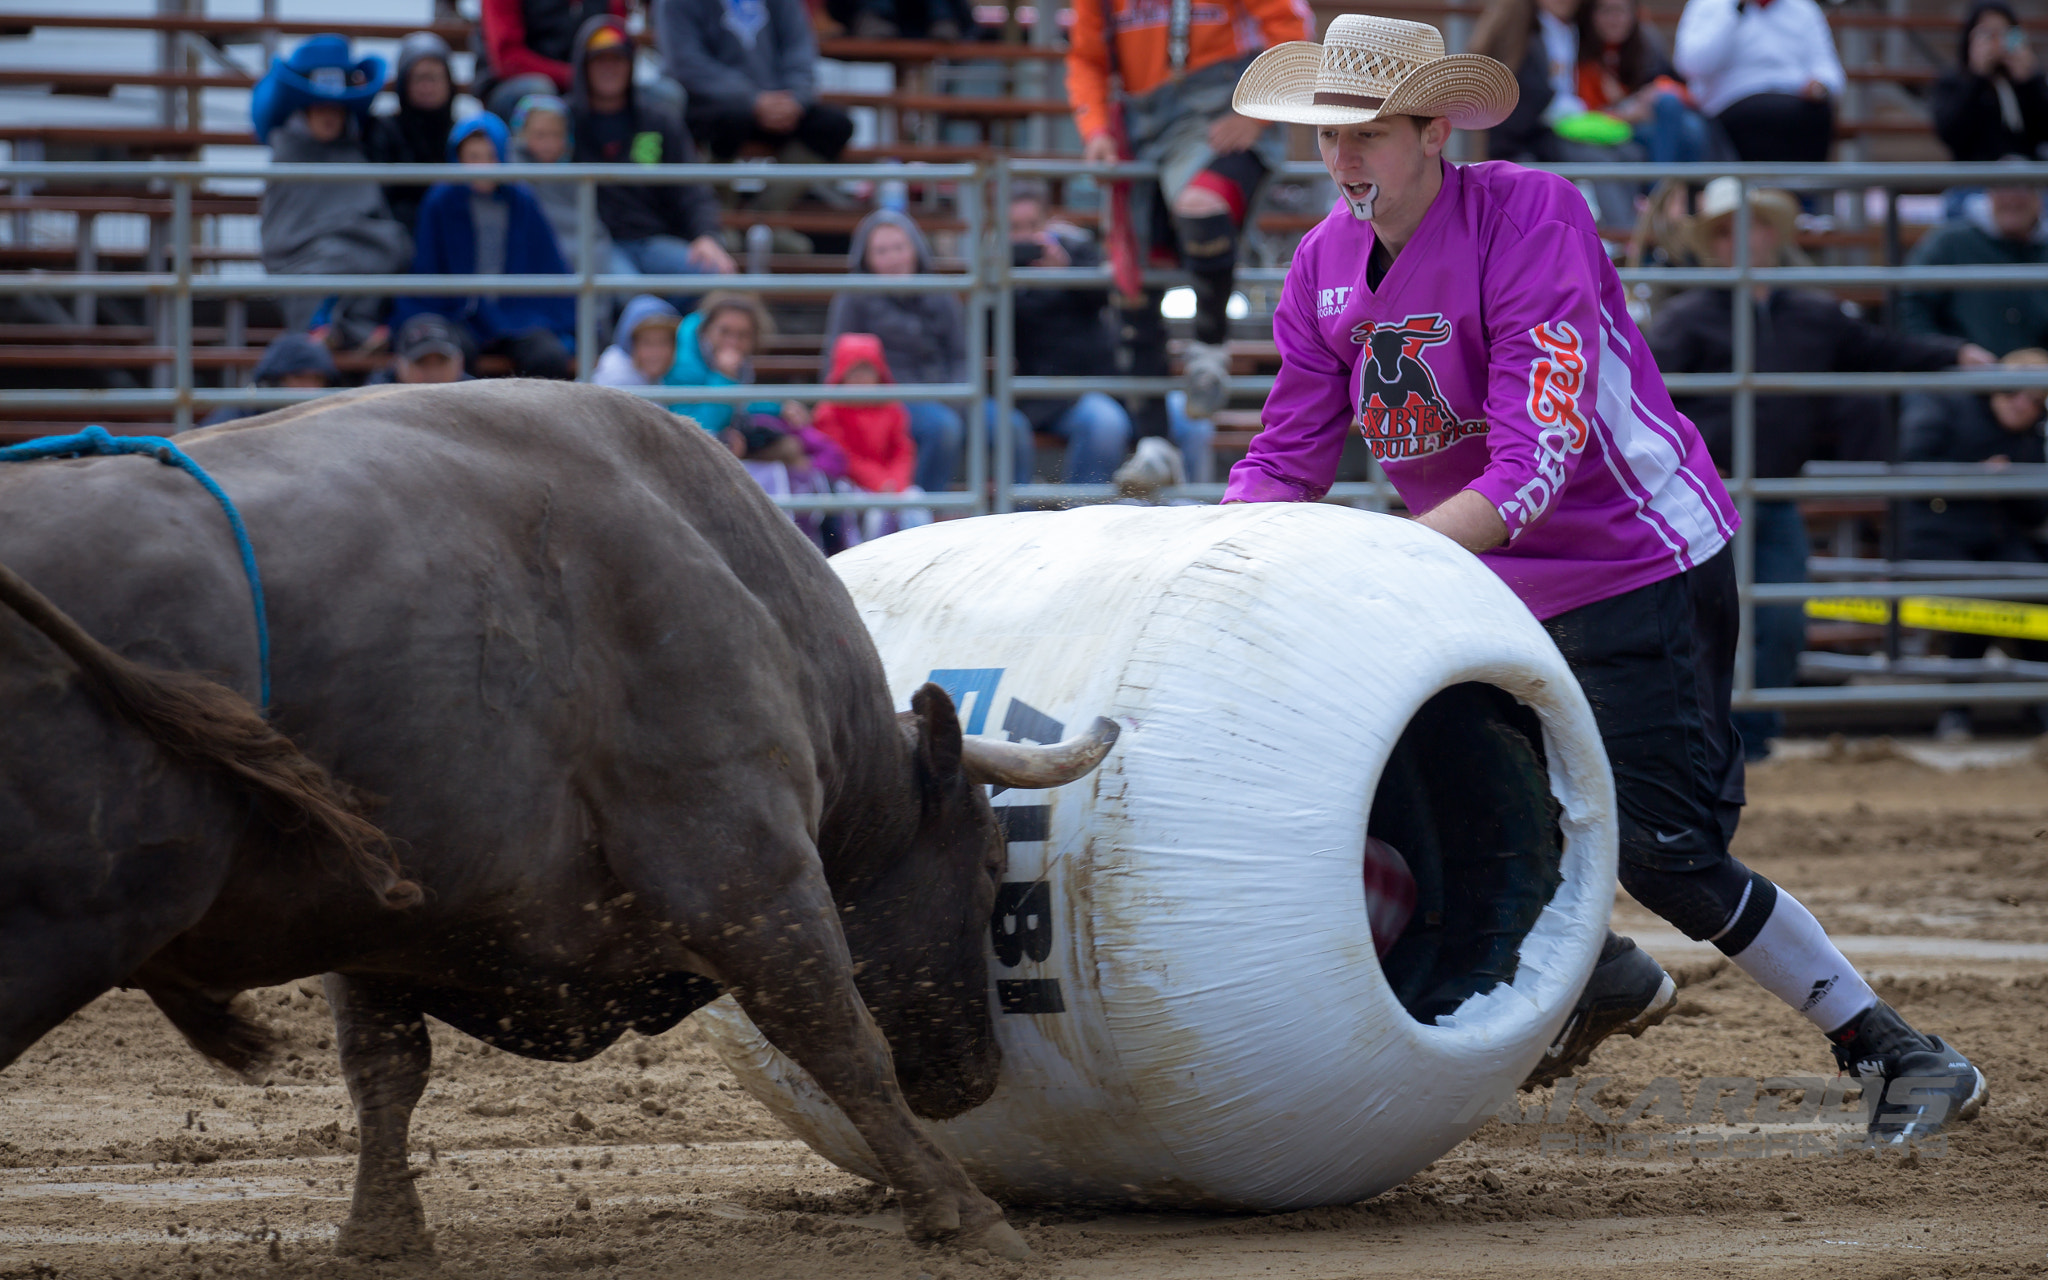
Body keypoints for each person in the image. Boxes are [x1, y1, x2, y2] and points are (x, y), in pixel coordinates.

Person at [1224, 14, 1986, 1141]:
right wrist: (1220, 554)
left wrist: (1390, 559)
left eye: (1367, 136)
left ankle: (1894, 1048)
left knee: (1661, 849)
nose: (1340, 163)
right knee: (1440, 800)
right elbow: (1283, 454)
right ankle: (1598, 970)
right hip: (1474, 576)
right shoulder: (1318, 267)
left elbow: (1540, 456)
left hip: (1633, 559)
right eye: (1325, 138)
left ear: (1435, 131)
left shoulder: (1533, 213)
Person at [1649, 178, 1990, 756]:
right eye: (1731, 230)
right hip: (1702, 500)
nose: (1745, 239)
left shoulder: (1811, 314)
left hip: (1774, 494)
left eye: (1755, 226)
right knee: (1703, 623)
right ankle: (1706, 744)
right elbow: (1647, 395)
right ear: (1714, 243)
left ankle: (1752, 740)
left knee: (1779, 620)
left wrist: (1953, 352)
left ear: (1771, 236)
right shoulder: (1686, 318)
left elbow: (1879, 350)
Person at [1066, 0, 1309, 447]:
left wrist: (1255, 114)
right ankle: (1153, 446)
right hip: (1140, 122)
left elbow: (1292, 32)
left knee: (1202, 207)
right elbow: (1086, 57)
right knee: (1132, 280)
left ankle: (1210, 346)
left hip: (1217, 109)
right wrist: (1096, 130)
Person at [1899, 347, 2048, 740]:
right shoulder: (1948, 406)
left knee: (2036, 586)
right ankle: (1957, 709)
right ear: (1994, 388)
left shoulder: (2034, 437)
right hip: (1938, 535)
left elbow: (2036, 513)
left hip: (1999, 539)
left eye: (2035, 400)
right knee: (1977, 594)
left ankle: (2038, 701)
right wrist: (1972, 477)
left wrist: (2014, 486)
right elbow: (1911, 467)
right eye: (2014, 392)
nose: (2023, 406)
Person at [251, 35, 413, 349]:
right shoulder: (287, 150)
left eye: (336, 109)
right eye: (321, 107)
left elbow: (367, 208)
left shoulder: (352, 152)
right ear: (305, 111)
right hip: (299, 249)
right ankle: (319, 326)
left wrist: (362, 230)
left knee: (391, 246)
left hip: (355, 242)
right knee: (332, 258)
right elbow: (286, 221)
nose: (329, 116)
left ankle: (354, 325)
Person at [393, 115, 577, 381]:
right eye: (473, 157)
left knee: (546, 357)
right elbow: (428, 266)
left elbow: (546, 262)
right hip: (459, 314)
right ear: (458, 159)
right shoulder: (440, 201)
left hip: (517, 315)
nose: (483, 166)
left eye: (491, 156)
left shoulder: (522, 200)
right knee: (455, 354)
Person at [568, 16, 736, 291]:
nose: (609, 67)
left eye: (618, 59)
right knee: (631, 294)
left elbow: (692, 190)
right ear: (583, 66)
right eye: (599, 59)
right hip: (595, 247)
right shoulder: (565, 123)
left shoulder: (657, 121)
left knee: (719, 277)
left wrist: (707, 236)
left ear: (631, 64)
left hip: (653, 240)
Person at [821, 211, 970, 494]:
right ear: (866, 259)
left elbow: (960, 355)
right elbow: (839, 359)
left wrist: (957, 397)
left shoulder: (942, 293)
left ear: (916, 249)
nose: (893, 258)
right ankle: (922, 521)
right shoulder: (854, 297)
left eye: (899, 247)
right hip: (887, 399)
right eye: (881, 251)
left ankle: (1018, 517)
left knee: (1008, 427)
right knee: (943, 427)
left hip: (949, 394)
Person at [1003, 182, 1140, 486]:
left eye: (1033, 225)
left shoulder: (1076, 251)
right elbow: (990, 332)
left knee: (1187, 422)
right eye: (1015, 227)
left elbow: (1106, 299)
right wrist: (1011, 280)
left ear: (1049, 222)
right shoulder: (1000, 267)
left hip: (1107, 383)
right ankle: (1082, 518)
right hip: (1046, 394)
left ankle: (1187, 512)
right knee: (1105, 422)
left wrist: (1066, 272)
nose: (1026, 235)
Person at [655, 0, 855, 163]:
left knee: (834, 125)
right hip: (710, 106)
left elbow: (800, 52)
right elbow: (685, 63)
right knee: (727, 122)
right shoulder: (674, 4)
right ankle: (718, 201)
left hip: (780, 105)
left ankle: (769, 207)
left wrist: (795, 100)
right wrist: (753, 100)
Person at [1673, 0, 1843, 164]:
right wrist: (1735, 11)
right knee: (1762, 118)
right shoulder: (1708, 4)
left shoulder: (1804, 8)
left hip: (1794, 101)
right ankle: (1747, 189)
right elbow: (1691, 65)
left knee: (1819, 112)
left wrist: (1820, 86)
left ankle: (1803, 190)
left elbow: (1829, 70)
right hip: (1732, 104)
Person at [1902, 179, 2048, 358]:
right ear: (1988, 194)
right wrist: (1953, 352)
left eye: (2023, 189)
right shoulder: (1950, 242)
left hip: (2039, 376)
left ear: (2038, 197)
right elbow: (1911, 305)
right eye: (2002, 188)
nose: (2012, 198)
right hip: (1962, 375)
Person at [1575, 0, 1709, 165]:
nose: (1614, 19)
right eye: (1606, 11)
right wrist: (1626, 114)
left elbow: (1684, 90)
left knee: (1686, 120)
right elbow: (1579, 113)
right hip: (1608, 125)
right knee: (1688, 130)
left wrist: (1653, 91)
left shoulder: (1645, 47)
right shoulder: (1580, 55)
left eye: (1622, 11)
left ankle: (1668, 188)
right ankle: (1664, 187)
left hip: (1649, 119)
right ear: (1590, 15)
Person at [507, 94, 616, 275]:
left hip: (591, 256)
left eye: (556, 134)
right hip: (541, 261)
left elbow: (594, 230)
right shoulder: (512, 175)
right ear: (521, 134)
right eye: (540, 135)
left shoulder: (575, 177)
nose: (548, 143)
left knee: (626, 284)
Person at [364, 32, 459, 236]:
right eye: (418, 78)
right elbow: (380, 198)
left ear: (449, 83)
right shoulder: (384, 130)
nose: (427, 87)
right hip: (399, 233)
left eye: (434, 78)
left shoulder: (461, 134)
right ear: (403, 84)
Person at [1933, 4, 2048, 163]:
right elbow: (1951, 135)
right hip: (1975, 177)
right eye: (1988, 34)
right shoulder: (1954, 81)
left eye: (2004, 33)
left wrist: (2030, 81)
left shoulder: (2027, 80)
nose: (1997, 43)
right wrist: (1977, 77)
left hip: (2027, 176)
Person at [476, 0, 626, 121]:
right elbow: (508, 60)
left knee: (637, 92)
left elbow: (618, 40)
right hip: (510, 87)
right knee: (540, 93)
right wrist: (576, 76)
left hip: (581, 84)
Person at [197, 333, 338, 427]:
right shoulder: (242, 413)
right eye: (299, 377)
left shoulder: (327, 423)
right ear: (275, 380)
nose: (310, 389)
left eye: (317, 379)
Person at [593, 293, 682, 387]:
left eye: (663, 342)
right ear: (629, 344)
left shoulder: (663, 376)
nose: (655, 352)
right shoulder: (618, 377)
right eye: (647, 343)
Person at [370, 313, 474, 384]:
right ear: (399, 364)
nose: (433, 374)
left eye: (441, 362)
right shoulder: (375, 396)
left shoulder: (473, 394)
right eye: (421, 363)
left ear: (459, 362)